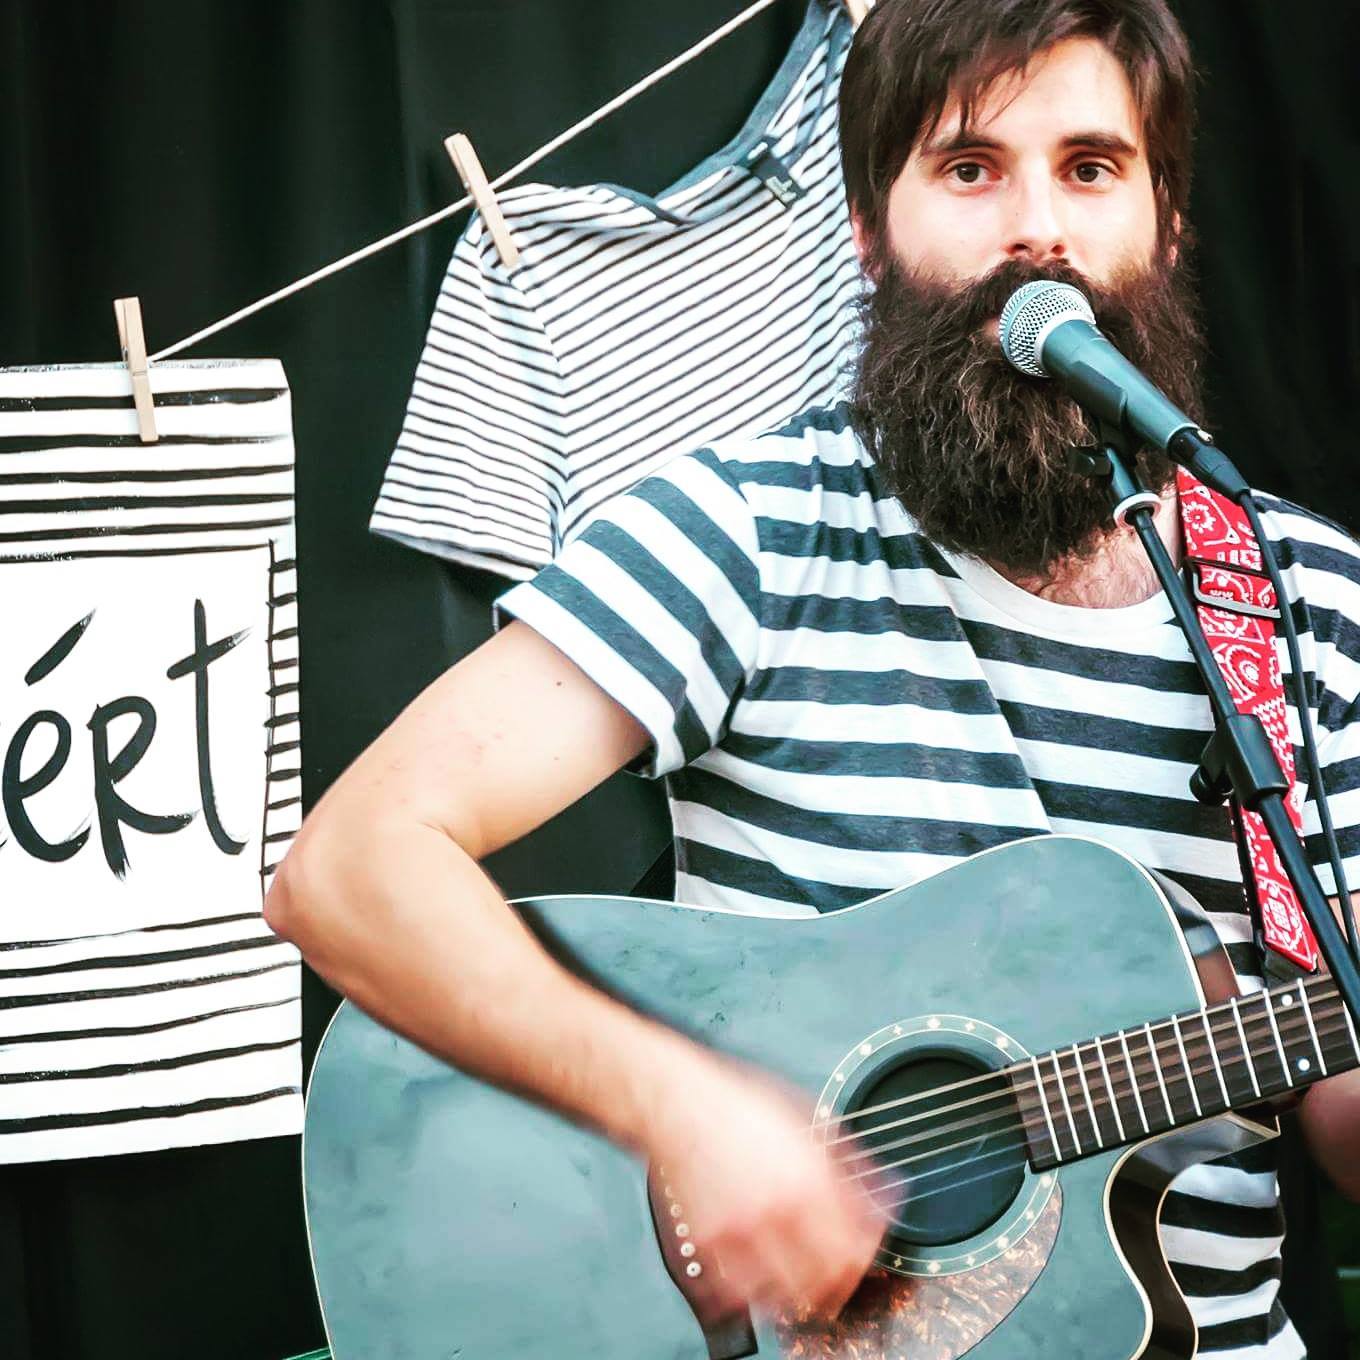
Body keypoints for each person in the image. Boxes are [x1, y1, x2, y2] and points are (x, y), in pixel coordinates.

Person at [264, 0, 1360, 1352]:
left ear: (1168, 221)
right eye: (970, 168)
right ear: (866, 226)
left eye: (1091, 167)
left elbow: (1339, 1121)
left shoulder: (1304, 603)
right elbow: (350, 870)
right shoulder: (751, 528)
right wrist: (683, 1111)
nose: (1037, 228)